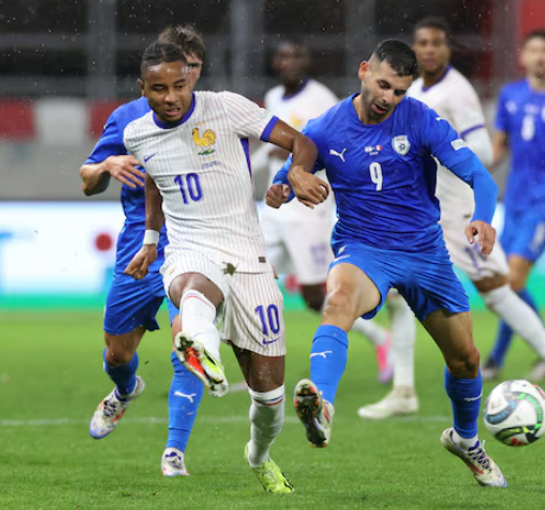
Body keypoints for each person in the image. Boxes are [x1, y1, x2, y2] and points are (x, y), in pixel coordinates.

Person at [268, 39, 506, 487]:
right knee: (338, 302)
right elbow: (284, 180)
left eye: (399, 91)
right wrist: (285, 187)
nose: (388, 98)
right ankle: (323, 406)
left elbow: (480, 176)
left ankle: (466, 439)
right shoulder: (326, 127)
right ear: (364, 71)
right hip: (364, 249)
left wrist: (482, 217)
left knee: (466, 360)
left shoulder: (420, 119)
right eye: (382, 85)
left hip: (425, 254)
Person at [124, 41, 320, 494]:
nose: (171, 97)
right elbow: (154, 179)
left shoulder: (227, 107)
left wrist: (297, 172)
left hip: (248, 258)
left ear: (190, 79)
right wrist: (152, 241)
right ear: (142, 88)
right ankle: (201, 348)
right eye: (159, 89)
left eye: (179, 85)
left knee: (269, 401)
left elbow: (301, 142)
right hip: (189, 247)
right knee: (194, 286)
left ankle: (259, 455)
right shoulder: (137, 134)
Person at [358, 18, 545, 419]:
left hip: (456, 208)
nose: (429, 50)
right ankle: (404, 391)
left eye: (436, 43)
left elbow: (482, 148)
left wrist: (437, 150)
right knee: (398, 294)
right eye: (422, 43)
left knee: (496, 290)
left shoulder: (456, 91)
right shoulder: (412, 88)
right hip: (420, 210)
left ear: (448, 49)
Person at [80, 25, 207, 477]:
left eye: (193, 68)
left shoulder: (215, 115)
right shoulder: (128, 118)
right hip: (139, 247)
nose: (185, 77)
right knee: (116, 354)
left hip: (195, 245)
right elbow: (87, 181)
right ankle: (125, 389)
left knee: (188, 342)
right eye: (178, 67)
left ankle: (174, 451)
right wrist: (106, 164)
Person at [253, 38, 393, 383]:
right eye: (285, 56)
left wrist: (304, 157)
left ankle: (379, 338)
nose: (291, 62)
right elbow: (273, 146)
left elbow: (343, 142)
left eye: (297, 55)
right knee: (253, 280)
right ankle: (259, 368)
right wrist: (258, 161)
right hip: (276, 207)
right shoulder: (273, 97)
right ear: (275, 62)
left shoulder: (321, 99)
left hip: (308, 209)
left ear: (306, 62)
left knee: (316, 296)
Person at [483, 29, 545, 379]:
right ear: (523, 57)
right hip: (515, 201)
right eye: (533, 50)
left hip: (542, 205)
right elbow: (499, 147)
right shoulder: (510, 95)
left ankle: (499, 357)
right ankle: (500, 358)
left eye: (544, 51)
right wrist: (472, 173)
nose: (540, 57)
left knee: (514, 279)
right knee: (505, 284)